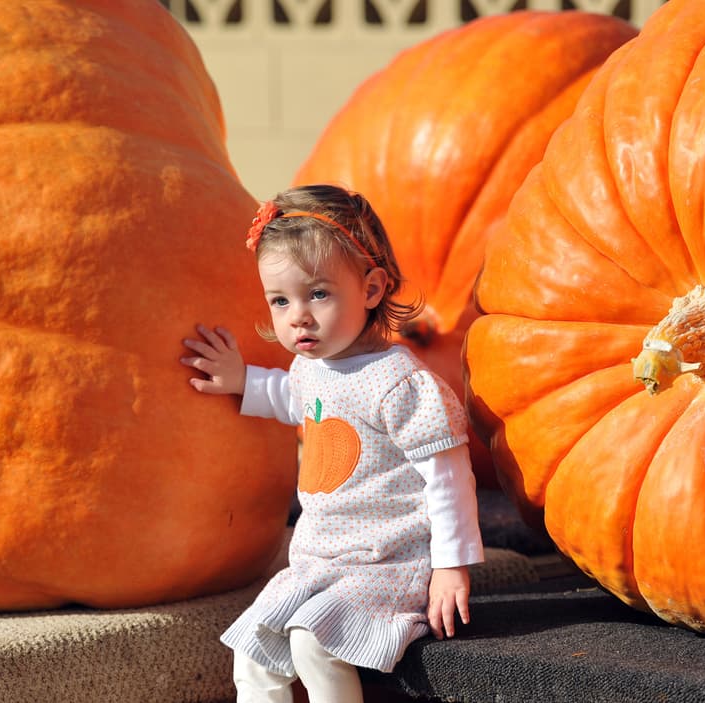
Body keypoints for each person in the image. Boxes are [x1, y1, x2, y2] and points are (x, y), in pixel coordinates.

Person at [180, 184, 484, 703]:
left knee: (312, 641)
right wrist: (241, 380)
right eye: (281, 300)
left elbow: (449, 473)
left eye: (318, 293)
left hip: (390, 562)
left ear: (370, 289)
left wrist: (452, 566)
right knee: (252, 648)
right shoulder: (312, 368)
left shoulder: (399, 381)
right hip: (320, 561)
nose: (297, 315)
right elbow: (292, 398)